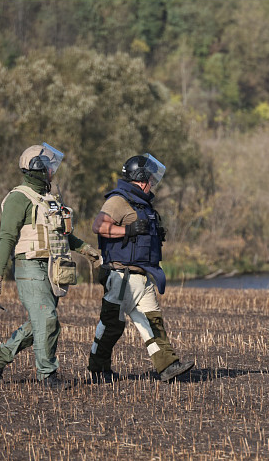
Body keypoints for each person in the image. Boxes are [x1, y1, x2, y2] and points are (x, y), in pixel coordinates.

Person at [0, 143, 102, 389]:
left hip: (53, 268)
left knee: (42, 322)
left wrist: (85, 250)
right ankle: (48, 376)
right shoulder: (18, 198)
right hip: (29, 267)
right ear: (37, 168)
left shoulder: (50, 200)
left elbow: (63, 235)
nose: (52, 170)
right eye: (48, 165)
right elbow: (6, 238)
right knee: (47, 319)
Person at [88, 153, 194, 384]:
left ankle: (167, 366)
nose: (153, 184)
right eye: (151, 179)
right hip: (121, 277)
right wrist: (128, 231)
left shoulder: (141, 204)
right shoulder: (118, 200)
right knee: (111, 327)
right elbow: (99, 226)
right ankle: (98, 369)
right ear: (141, 178)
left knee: (153, 321)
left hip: (142, 275)